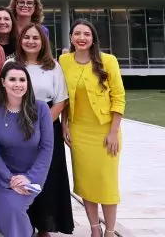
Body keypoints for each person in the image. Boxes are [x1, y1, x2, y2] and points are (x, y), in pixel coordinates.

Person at [60, 19, 125, 237]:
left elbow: (119, 97)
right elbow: (63, 97)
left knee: (106, 182)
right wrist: (64, 123)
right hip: (79, 131)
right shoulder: (64, 61)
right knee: (86, 181)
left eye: (86, 34)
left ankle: (110, 230)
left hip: (106, 130)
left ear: (93, 38)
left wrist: (114, 131)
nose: (81, 37)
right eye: (77, 33)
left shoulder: (108, 60)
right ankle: (94, 228)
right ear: (71, 38)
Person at [10, 23, 73, 236]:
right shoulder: (11, 63)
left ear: (43, 42)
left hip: (47, 125)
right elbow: (2, 95)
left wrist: (41, 127)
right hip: (16, 125)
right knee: (21, 175)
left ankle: (45, 226)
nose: (31, 41)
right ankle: (23, 224)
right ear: (20, 40)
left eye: (35, 38)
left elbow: (60, 100)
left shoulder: (53, 66)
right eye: (26, 37)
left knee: (47, 177)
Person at [0, 63, 53, 237]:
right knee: (6, 214)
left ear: (28, 83)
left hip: (32, 175)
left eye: (22, 79)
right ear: (3, 83)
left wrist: (29, 177)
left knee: (15, 208)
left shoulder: (41, 109)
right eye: (12, 79)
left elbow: (46, 147)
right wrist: (10, 178)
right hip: (2, 175)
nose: (18, 84)